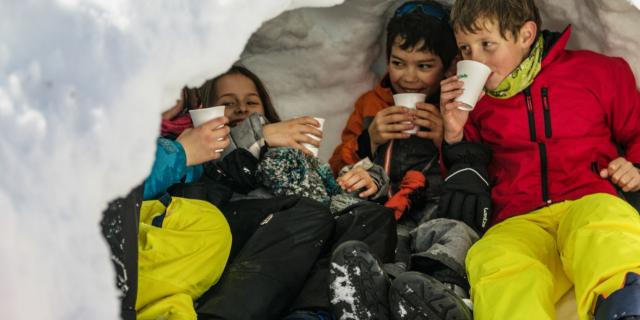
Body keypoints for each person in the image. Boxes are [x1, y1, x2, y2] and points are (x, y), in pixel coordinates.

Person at [437, 0, 640, 319]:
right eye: (466, 48)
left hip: (587, 198)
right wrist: (454, 134)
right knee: (495, 256)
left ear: (525, 34)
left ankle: (626, 310)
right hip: (520, 218)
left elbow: (637, 130)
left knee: (606, 225)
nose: (476, 59)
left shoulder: (598, 72)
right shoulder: (471, 103)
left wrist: (635, 167)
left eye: (487, 44)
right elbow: (462, 177)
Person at [326, 2, 476, 320]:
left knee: (457, 234)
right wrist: (371, 139)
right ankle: (375, 294)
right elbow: (338, 165)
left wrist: (446, 138)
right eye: (398, 63)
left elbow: (478, 166)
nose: (408, 77)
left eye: (424, 66)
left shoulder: (459, 106)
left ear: (449, 67)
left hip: (436, 210)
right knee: (378, 236)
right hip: (387, 210)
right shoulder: (371, 104)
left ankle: (442, 294)